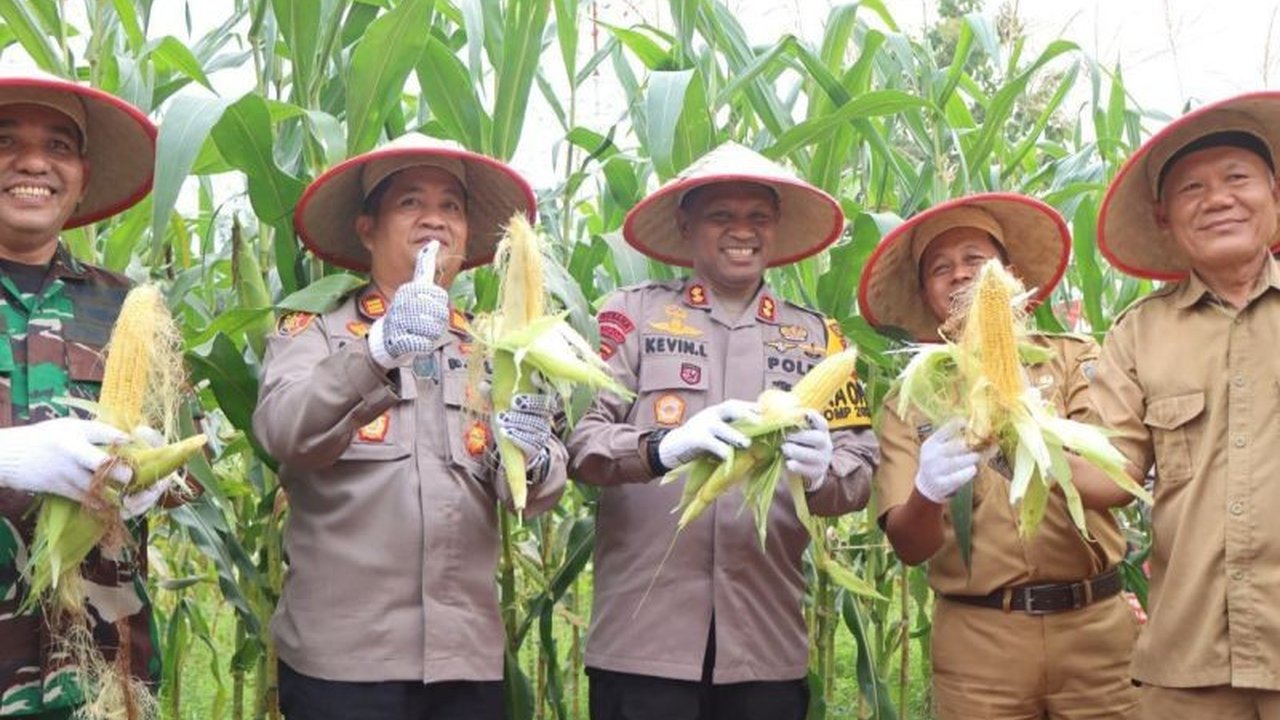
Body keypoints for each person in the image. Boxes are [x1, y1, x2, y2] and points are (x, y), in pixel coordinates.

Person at [253, 132, 566, 720]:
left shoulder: (497, 348)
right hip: (344, 666)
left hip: (466, 665)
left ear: (470, 233)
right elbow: (283, 432)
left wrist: (534, 456)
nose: (435, 220)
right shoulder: (314, 336)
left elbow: (537, 493)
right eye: (411, 203)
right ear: (367, 228)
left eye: (452, 206)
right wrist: (376, 350)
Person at [566, 142, 879, 720]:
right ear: (686, 225)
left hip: (763, 645)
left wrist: (823, 471)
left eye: (758, 217)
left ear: (776, 230)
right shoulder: (629, 317)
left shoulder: (819, 341)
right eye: (721, 217)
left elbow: (860, 468)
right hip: (643, 644)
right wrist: (661, 448)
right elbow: (582, 441)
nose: (743, 232)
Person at [859, 192, 1140, 719]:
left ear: (1009, 275)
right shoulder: (909, 401)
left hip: (1096, 633)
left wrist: (1027, 433)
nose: (960, 275)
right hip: (979, 639)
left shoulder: (1076, 360)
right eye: (940, 269)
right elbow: (908, 545)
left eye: (975, 261)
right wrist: (927, 491)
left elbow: (1118, 484)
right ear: (926, 293)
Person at [1090, 91, 1280, 719]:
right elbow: (1108, 475)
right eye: (1192, 188)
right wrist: (1013, 438)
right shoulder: (1136, 334)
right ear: (1164, 217)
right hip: (1188, 663)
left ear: (1275, 196)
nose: (1218, 199)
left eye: (1236, 178)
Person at [0, 68, 165, 719]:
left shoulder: (126, 306)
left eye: (59, 146)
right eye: (6, 140)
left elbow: (191, 460)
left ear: (82, 178)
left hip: (100, 665)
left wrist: (156, 472)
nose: (33, 162)